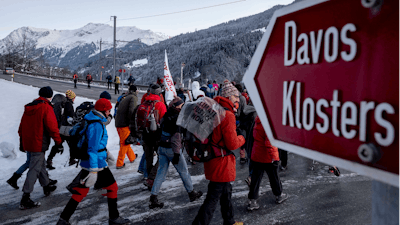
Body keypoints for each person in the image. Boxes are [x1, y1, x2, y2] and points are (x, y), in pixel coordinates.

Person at [56, 99, 130, 225]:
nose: (109, 112)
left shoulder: (90, 119)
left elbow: (95, 145)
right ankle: (114, 218)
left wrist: (106, 153)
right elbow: (92, 148)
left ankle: (63, 219)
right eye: (108, 110)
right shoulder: (97, 125)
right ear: (104, 110)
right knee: (112, 187)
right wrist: (94, 170)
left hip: (90, 161)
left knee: (81, 191)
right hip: (96, 163)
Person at [192, 80, 245, 225]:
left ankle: (230, 221)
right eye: (235, 97)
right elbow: (232, 143)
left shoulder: (214, 110)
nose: (237, 100)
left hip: (213, 158)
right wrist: (242, 138)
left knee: (226, 193)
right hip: (221, 162)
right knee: (213, 198)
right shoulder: (228, 115)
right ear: (228, 97)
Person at [149, 97, 203, 209]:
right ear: (177, 106)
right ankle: (192, 193)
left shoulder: (166, 115)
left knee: (160, 173)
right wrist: (177, 154)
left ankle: (153, 197)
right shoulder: (177, 119)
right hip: (172, 149)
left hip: (162, 148)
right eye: (181, 105)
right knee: (184, 172)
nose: (183, 106)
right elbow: (177, 138)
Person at [18, 86, 62, 209]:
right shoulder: (46, 107)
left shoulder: (29, 106)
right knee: (34, 169)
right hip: (39, 142)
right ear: (50, 96)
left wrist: (22, 142)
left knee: (40, 164)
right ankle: (25, 198)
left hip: (29, 142)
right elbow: (52, 128)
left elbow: (21, 126)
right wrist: (58, 143)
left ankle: (46, 186)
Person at [247, 116, 288, 211]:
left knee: (255, 179)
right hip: (268, 157)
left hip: (257, 155)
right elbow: (270, 143)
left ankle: (252, 200)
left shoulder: (257, 121)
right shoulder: (269, 123)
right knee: (274, 177)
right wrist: (274, 158)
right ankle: (279, 195)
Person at [141, 84, 167, 190]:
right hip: (156, 135)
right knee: (162, 157)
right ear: (159, 93)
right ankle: (151, 178)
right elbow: (164, 121)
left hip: (145, 135)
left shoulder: (144, 102)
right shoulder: (160, 105)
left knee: (148, 157)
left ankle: (148, 177)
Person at [47, 90, 77, 169]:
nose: (74, 99)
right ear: (71, 98)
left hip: (61, 127)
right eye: (74, 97)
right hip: (66, 129)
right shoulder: (69, 104)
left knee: (58, 144)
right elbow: (70, 117)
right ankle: (72, 160)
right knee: (72, 144)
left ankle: (49, 160)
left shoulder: (62, 104)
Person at [115, 85, 138, 169]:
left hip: (118, 123)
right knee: (124, 143)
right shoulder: (133, 98)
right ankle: (119, 163)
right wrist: (132, 124)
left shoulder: (126, 97)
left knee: (126, 141)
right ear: (136, 91)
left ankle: (132, 157)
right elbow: (131, 111)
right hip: (124, 124)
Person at [234, 84, 248, 164]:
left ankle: (242, 156)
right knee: (243, 138)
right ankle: (243, 157)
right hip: (242, 120)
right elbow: (245, 110)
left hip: (236, 120)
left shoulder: (234, 97)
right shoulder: (242, 98)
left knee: (240, 137)